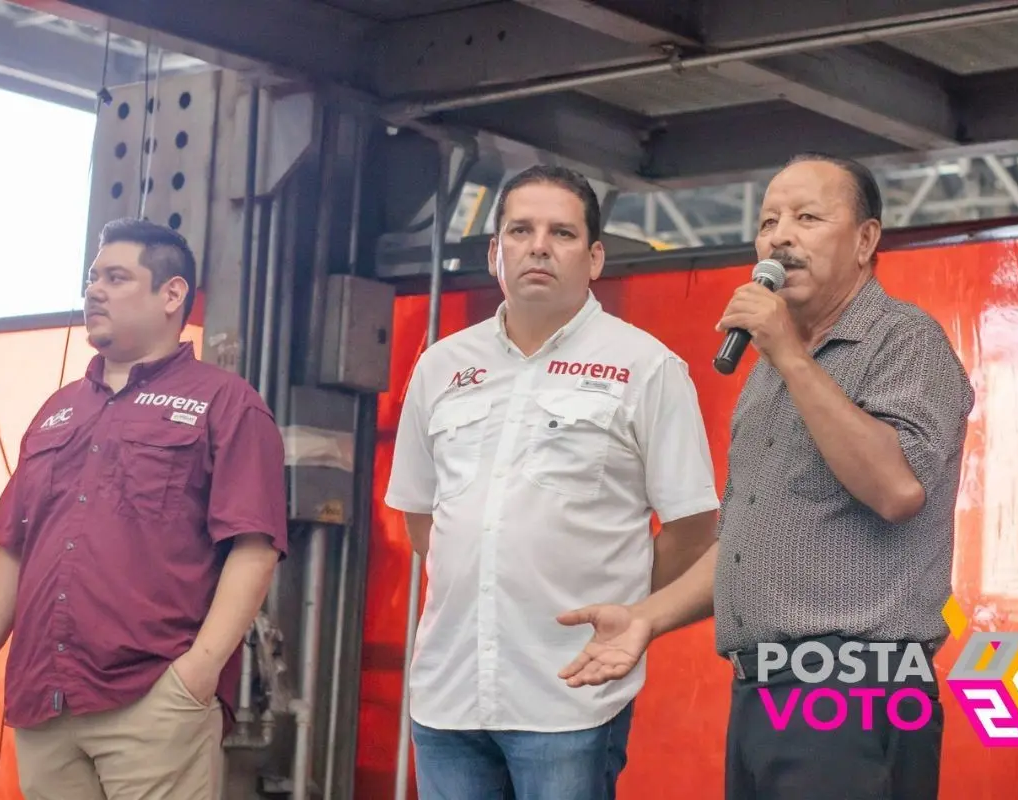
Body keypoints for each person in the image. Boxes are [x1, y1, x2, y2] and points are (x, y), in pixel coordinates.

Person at [555, 153, 975, 800]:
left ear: (865, 240)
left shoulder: (903, 339)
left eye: (807, 218)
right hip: (766, 692)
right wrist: (646, 619)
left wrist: (786, 351)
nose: (780, 237)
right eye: (768, 221)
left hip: (859, 689)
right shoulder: (773, 368)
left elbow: (896, 489)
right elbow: (745, 543)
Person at [385, 164, 721, 800]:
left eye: (562, 233)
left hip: (570, 692)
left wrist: (631, 606)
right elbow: (421, 515)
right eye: (521, 229)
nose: (538, 245)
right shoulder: (440, 367)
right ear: (495, 253)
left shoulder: (646, 367)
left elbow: (693, 525)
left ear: (594, 257)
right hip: (448, 692)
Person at [0, 218, 289, 800]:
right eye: (91, 279)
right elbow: (14, 544)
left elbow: (255, 549)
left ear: (172, 294)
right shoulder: (58, 409)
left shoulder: (224, 402)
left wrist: (196, 674)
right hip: (43, 700)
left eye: (116, 277)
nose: (94, 292)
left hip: (152, 699)